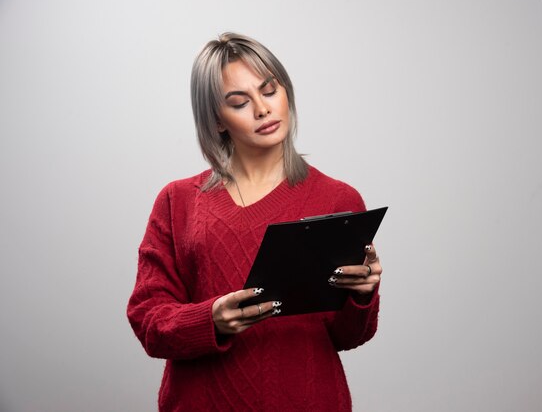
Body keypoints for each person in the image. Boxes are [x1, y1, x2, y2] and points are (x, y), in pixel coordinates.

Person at [127, 32, 383, 411]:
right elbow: (148, 318)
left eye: (269, 90)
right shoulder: (176, 200)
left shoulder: (339, 199)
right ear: (216, 121)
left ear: (286, 93)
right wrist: (208, 320)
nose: (262, 109)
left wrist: (363, 296)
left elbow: (348, 336)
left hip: (308, 400)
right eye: (239, 102)